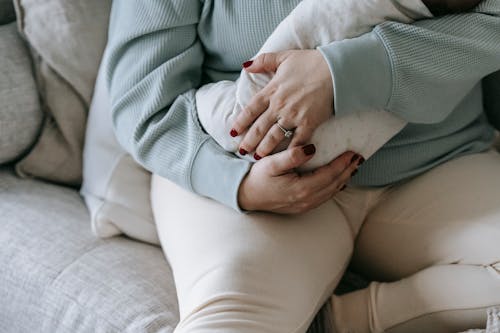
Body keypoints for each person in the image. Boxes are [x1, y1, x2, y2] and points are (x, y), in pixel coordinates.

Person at [104, 0, 500, 332]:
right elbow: (142, 100)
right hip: (246, 169)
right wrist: (239, 185)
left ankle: (340, 320)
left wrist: (346, 71)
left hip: (435, 164)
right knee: (229, 321)